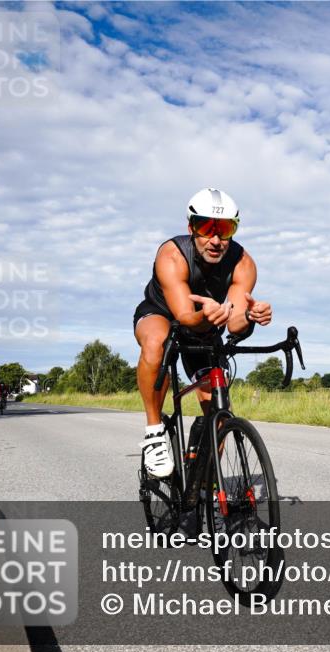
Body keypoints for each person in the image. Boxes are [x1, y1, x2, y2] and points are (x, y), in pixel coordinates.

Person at [133, 188, 272, 478]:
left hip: (206, 325)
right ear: (190, 227)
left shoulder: (243, 263)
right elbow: (185, 317)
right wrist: (207, 316)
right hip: (163, 314)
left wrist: (249, 316)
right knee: (155, 344)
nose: (216, 239)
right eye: (206, 228)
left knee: (218, 413)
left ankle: (203, 487)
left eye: (224, 229)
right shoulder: (172, 254)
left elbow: (233, 324)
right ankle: (155, 432)